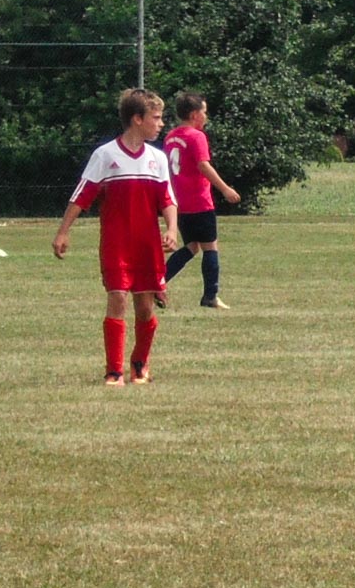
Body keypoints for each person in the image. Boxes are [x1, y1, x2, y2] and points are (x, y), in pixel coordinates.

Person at [52, 88, 178, 386]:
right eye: (156, 118)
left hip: (147, 246)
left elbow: (167, 199)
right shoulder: (106, 155)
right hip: (117, 244)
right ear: (137, 119)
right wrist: (63, 232)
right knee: (118, 298)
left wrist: (172, 229)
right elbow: (82, 195)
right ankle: (114, 371)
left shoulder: (157, 159)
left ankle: (139, 364)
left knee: (144, 308)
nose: (161, 124)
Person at [161, 92, 240, 310]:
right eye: (204, 112)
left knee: (192, 247)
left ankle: (158, 282)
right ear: (195, 114)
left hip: (180, 203)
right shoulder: (196, 136)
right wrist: (225, 189)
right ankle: (210, 296)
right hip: (199, 201)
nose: (206, 116)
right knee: (210, 247)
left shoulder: (171, 137)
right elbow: (203, 165)